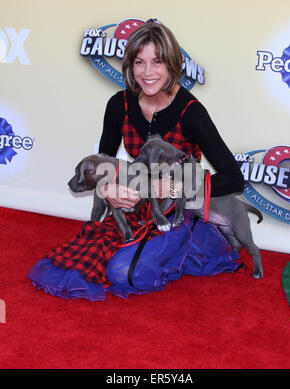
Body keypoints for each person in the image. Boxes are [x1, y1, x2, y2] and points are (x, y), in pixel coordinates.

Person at [27, 20, 245, 301]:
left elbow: (234, 178)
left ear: (172, 64)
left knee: (121, 273)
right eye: (139, 62)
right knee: (81, 261)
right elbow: (103, 163)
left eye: (157, 62)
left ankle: (194, 246)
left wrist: (167, 190)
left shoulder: (192, 113)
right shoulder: (118, 105)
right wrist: (107, 190)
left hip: (178, 213)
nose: (148, 72)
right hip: (138, 209)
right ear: (129, 65)